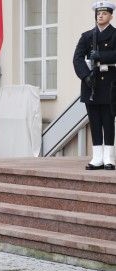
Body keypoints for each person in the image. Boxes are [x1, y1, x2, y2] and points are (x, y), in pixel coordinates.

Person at [73, 0, 116, 170]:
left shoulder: (115, 34)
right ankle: (97, 158)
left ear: (111, 16)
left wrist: (102, 56)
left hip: (110, 85)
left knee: (108, 121)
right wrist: (85, 76)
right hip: (91, 84)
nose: (100, 16)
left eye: (104, 13)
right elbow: (77, 58)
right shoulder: (87, 36)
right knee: (95, 122)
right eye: (98, 13)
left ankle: (109, 158)